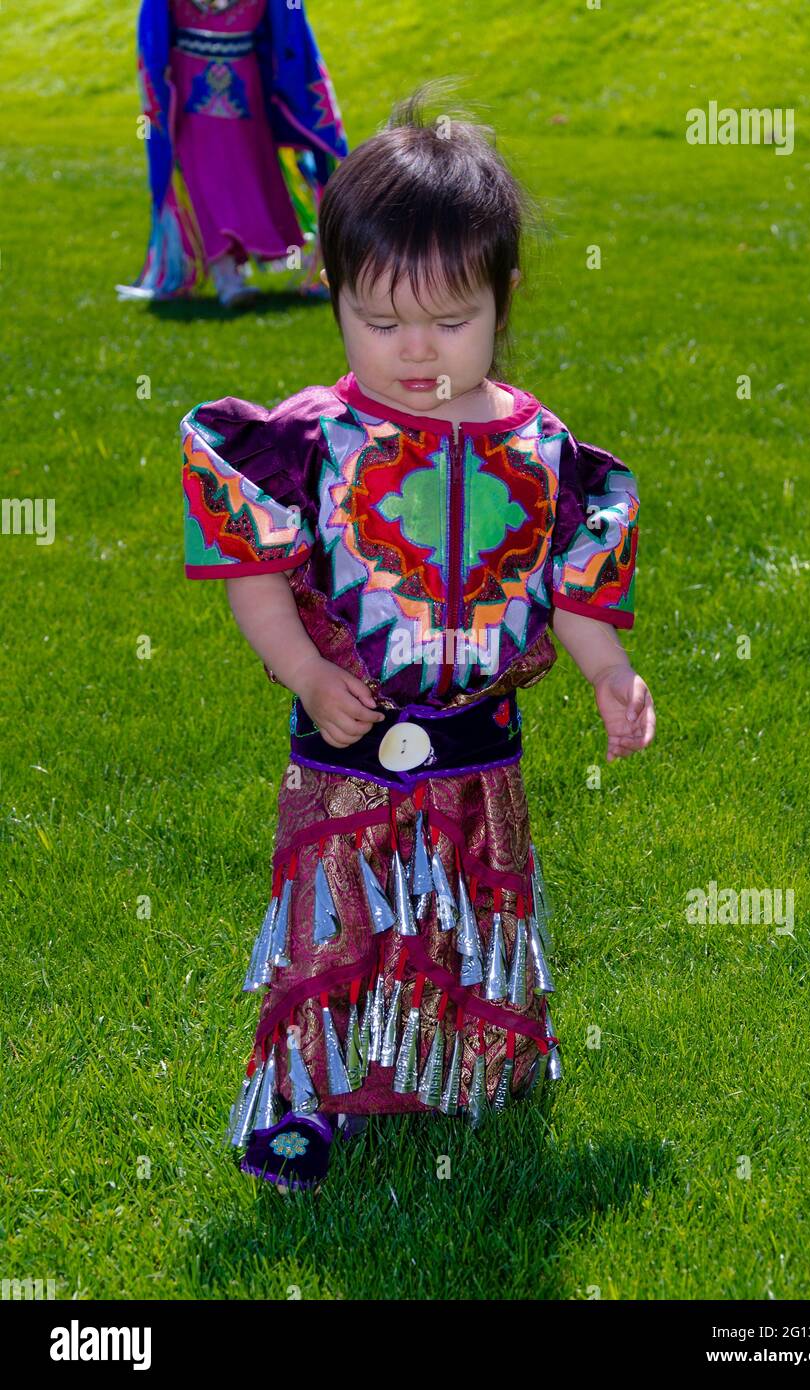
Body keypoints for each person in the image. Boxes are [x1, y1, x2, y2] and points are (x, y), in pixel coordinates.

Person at [179, 82, 655, 1193]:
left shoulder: (540, 451)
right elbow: (255, 569)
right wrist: (299, 666)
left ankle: (469, 1055)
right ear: (335, 297)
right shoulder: (312, 439)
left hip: (479, 743)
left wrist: (610, 672)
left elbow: (575, 584)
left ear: (506, 299)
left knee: (473, 900)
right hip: (347, 735)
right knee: (336, 915)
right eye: (379, 321)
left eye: (450, 322)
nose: (415, 350)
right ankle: (312, 1089)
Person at [117, 0, 347, 306]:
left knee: (250, 177)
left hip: (246, 86)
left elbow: (289, 29)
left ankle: (284, 260)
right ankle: (226, 275)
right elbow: (154, 28)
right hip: (190, 86)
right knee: (205, 176)